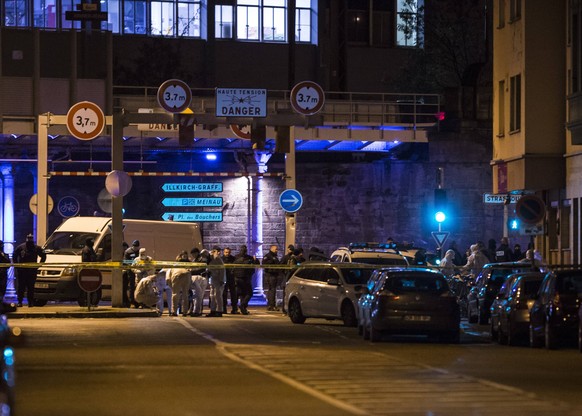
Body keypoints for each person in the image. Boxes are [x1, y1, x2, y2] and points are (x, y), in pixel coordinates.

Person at [13, 233, 46, 307]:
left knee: (31, 287)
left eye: (31, 238)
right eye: (29, 238)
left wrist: (39, 265)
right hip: (22, 271)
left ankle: (30, 302)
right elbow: (14, 256)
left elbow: (43, 256)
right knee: (21, 287)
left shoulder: (36, 248)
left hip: (32, 271)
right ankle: (20, 302)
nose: (29, 240)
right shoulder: (21, 247)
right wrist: (17, 266)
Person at [232, 245, 258, 315]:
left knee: (239, 294)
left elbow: (232, 267)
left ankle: (237, 309)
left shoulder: (235, 257)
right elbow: (257, 264)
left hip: (237, 278)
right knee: (249, 293)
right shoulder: (249, 258)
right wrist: (255, 259)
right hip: (246, 278)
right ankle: (243, 306)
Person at [189, 248, 210, 316]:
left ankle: (197, 311)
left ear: (197, 253)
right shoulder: (195, 260)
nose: (193, 256)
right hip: (197, 278)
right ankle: (196, 311)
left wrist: (191, 271)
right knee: (197, 295)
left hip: (201, 278)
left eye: (193, 254)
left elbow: (202, 269)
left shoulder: (202, 259)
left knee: (198, 295)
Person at [207, 246, 226, 317]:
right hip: (213, 280)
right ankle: (213, 310)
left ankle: (219, 311)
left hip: (218, 280)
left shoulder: (218, 259)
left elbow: (222, 270)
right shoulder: (210, 259)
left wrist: (222, 280)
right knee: (212, 296)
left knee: (217, 296)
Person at [262, 244, 281, 311]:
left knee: (271, 290)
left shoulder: (274, 256)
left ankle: (271, 305)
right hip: (270, 275)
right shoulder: (268, 256)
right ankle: (272, 305)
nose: (277, 250)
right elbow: (264, 264)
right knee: (272, 290)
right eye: (276, 249)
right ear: (271, 249)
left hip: (273, 275)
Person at [124, 240, 141, 308]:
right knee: (131, 286)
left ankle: (137, 300)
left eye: (136, 247)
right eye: (134, 246)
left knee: (138, 286)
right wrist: (133, 263)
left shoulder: (139, 252)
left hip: (138, 271)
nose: (135, 248)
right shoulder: (128, 251)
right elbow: (125, 261)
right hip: (130, 271)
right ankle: (132, 300)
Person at [221, 247, 238, 314]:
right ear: (223, 252)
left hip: (232, 278)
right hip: (224, 278)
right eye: (226, 252)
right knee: (224, 294)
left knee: (233, 294)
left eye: (228, 252)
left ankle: (234, 309)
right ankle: (224, 308)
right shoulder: (221, 259)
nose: (227, 254)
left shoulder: (233, 259)